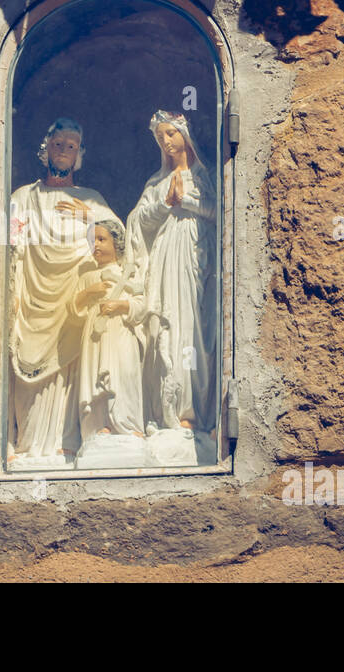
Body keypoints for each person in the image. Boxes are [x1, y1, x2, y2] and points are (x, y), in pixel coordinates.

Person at [7, 118, 116, 468]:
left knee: (71, 370)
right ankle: (27, 447)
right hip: (32, 304)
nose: (64, 151)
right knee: (26, 371)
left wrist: (89, 217)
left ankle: (65, 445)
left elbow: (119, 244)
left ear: (79, 154)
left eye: (71, 146)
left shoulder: (92, 200)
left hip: (75, 304)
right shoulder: (24, 197)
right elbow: (9, 244)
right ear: (46, 149)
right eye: (58, 144)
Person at [126, 110, 218, 460]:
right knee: (165, 327)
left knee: (194, 328)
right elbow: (138, 222)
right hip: (165, 259)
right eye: (161, 136)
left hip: (197, 260)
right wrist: (166, 203)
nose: (166, 141)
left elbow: (218, 210)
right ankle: (167, 415)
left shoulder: (202, 177)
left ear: (184, 136)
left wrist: (188, 201)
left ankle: (195, 414)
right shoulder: (157, 182)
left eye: (171, 133)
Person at [68, 219, 146, 459]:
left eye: (102, 239)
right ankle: (100, 424)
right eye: (92, 241)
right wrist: (91, 291)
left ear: (117, 242)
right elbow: (73, 307)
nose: (96, 246)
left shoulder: (128, 273)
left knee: (123, 374)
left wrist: (121, 305)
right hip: (95, 335)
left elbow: (142, 305)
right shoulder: (89, 276)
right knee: (95, 380)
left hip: (121, 332)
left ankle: (127, 424)